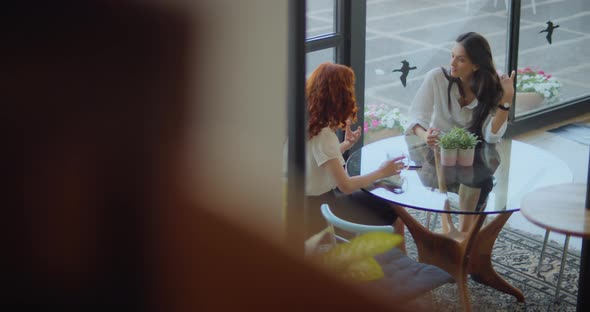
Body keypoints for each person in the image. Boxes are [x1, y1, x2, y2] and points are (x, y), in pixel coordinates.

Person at [304, 62, 406, 246]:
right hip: (324, 213)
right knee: (393, 210)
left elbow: (320, 162)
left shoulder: (308, 124)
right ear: (340, 96)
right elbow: (346, 186)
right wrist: (383, 171)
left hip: (305, 207)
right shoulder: (324, 135)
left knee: (375, 193)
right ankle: (399, 270)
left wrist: (344, 145)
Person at [406, 32, 515, 146]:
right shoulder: (436, 77)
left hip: (473, 154)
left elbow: (491, 137)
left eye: (461, 59)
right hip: (439, 151)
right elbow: (416, 115)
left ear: (476, 65)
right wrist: (425, 135)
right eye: (452, 56)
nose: (452, 63)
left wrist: (506, 98)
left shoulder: (490, 88)